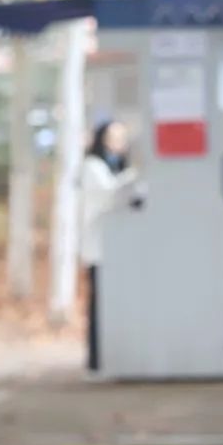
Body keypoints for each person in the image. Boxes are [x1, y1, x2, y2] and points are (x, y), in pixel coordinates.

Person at [80, 121, 138, 373]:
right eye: (113, 137)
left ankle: (108, 358)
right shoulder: (92, 167)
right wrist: (136, 173)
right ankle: (95, 360)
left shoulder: (116, 167)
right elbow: (110, 195)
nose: (118, 142)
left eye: (122, 137)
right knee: (97, 307)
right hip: (98, 248)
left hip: (116, 249)